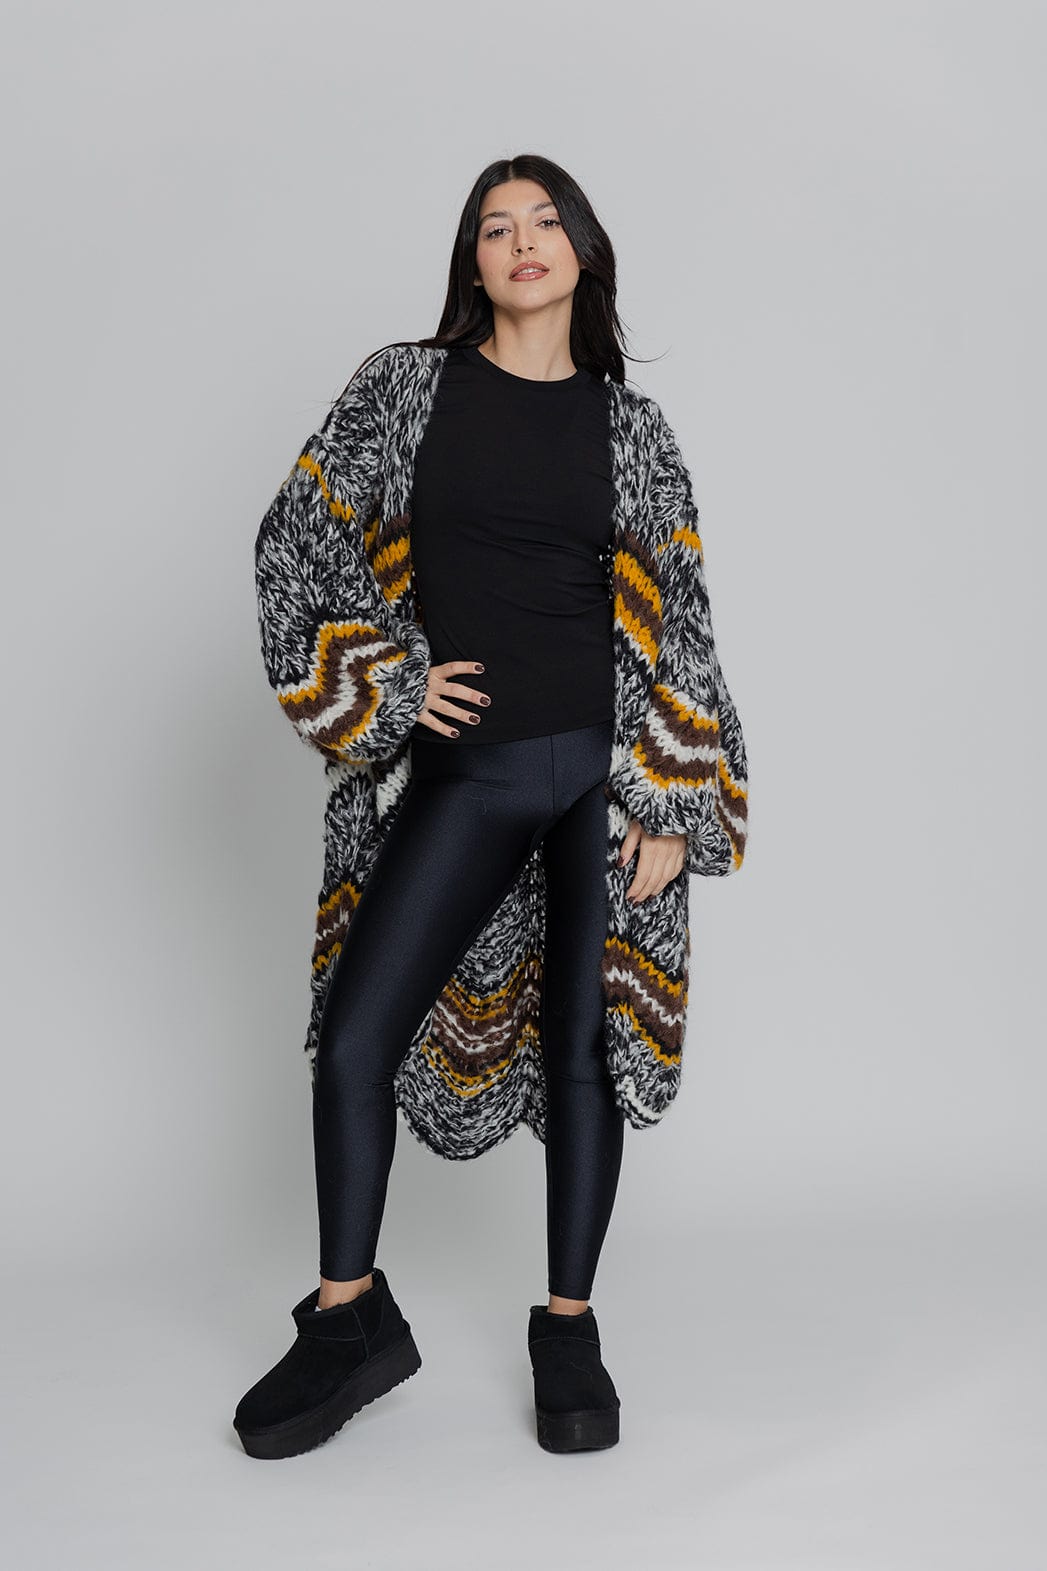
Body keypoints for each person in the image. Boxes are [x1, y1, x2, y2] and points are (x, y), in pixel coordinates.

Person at [234, 153, 748, 1461]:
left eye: (546, 220)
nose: (524, 240)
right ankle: (349, 1320)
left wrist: (675, 796)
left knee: (585, 1051)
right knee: (356, 1039)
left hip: (603, 780)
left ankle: (567, 1327)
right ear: (473, 262)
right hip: (475, 770)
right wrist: (391, 682)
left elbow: (682, 616)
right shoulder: (404, 389)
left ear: (583, 251)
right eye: (496, 226)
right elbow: (294, 543)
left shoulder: (632, 429)